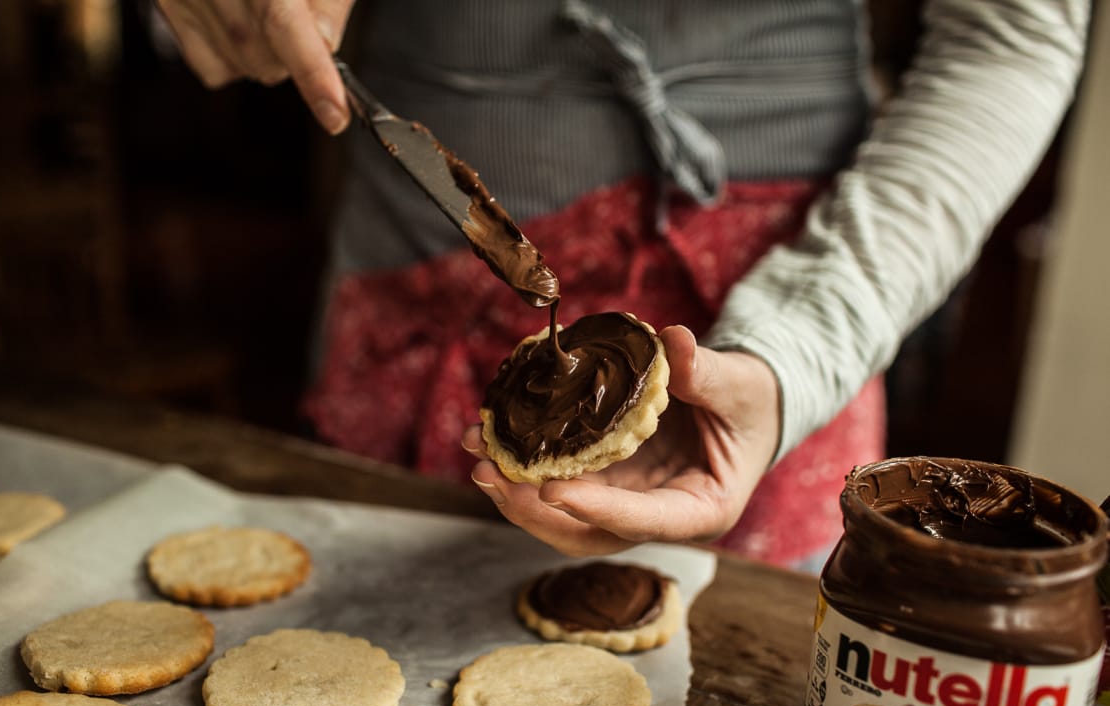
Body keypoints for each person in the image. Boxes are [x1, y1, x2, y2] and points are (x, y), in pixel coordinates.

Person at [155, 0, 1090, 569]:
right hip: (424, 281)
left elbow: (1011, 34)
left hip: (799, 313)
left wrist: (797, 354)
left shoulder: (790, 348)